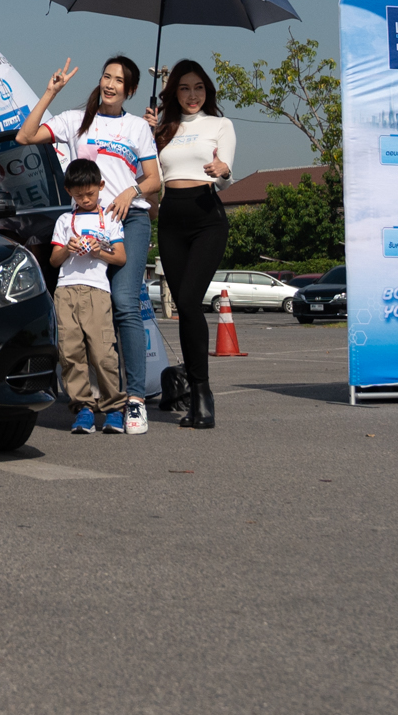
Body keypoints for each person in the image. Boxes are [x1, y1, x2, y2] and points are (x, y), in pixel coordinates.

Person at [19, 55, 162, 434]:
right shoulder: (74, 120)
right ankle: (88, 401)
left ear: (130, 89)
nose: (110, 84)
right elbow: (25, 136)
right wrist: (50, 92)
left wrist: (130, 192)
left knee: (124, 304)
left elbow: (154, 179)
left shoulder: (136, 127)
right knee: (83, 321)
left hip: (128, 221)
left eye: (119, 80)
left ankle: (134, 400)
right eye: (106, 77)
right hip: (83, 226)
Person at [150, 58, 236, 430]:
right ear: (174, 93)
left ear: (207, 90)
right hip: (171, 219)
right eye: (184, 88)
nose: (192, 95)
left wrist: (223, 170)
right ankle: (193, 389)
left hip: (206, 217)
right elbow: (151, 176)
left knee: (187, 301)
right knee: (186, 311)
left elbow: (226, 174)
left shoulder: (220, 124)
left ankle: (202, 392)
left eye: (198, 87)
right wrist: (148, 134)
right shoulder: (162, 128)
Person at [50, 159, 126, 434]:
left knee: (103, 352)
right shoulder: (64, 220)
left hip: (97, 291)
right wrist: (68, 248)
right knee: (70, 352)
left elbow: (120, 257)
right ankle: (83, 408)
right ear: (68, 191)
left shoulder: (111, 219)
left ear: (100, 186)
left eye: (90, 193)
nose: (84, 199)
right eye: (78, 194)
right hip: (66, 290)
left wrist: (98, 251)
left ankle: (114, 409)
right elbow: (54, 260)